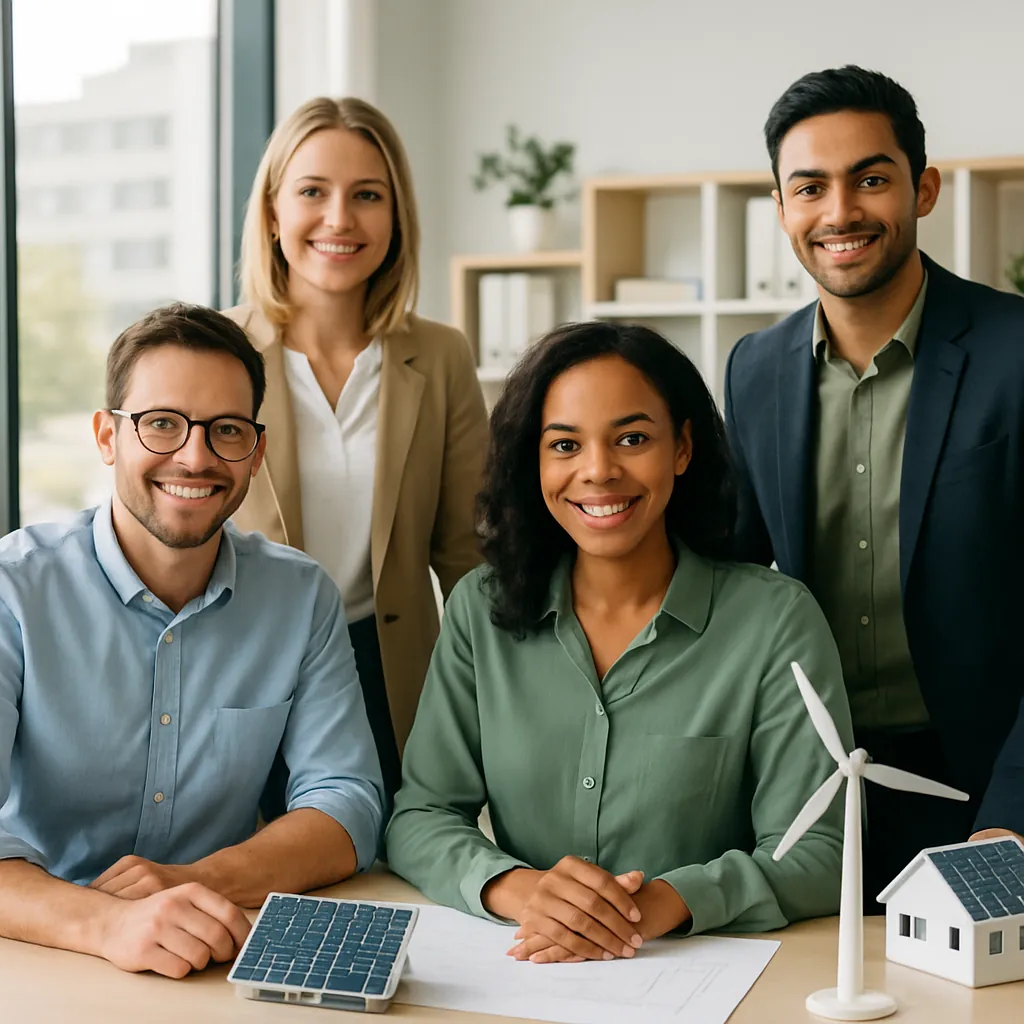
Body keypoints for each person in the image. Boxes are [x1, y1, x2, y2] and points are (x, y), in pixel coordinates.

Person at [386, 321, 853, 962]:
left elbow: (820, 851)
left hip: (708, 976)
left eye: (632, 438)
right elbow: (421, 816)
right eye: (565, 445)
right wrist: (520, 889)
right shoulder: (479, 609)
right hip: (526, 972)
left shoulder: (775, 620)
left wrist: (660, 902)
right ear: (536, 461)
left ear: (682, 448)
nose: (599, 471)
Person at [0, 304, 384, 977]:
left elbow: (347, 803)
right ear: (106, 436)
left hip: (213, 946)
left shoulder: (301, 598)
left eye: (227, 430)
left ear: (256, 452)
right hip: (40, 947)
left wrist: (194, 882)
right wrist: (109, 920)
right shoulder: (13, 589)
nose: (196, 456)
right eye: (162, 424)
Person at [723, 65, 1024, 906]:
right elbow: (731, 587)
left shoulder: (1015, 351)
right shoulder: (753, 372)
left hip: (987, 790)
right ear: (781, 209)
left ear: (923, 189)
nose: (841, 212)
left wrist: (1011, 818)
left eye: (871, 179)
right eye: (810, 187)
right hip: (811, 793)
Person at [225, 97, 488, 812]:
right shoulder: (217, 351)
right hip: (241, 675)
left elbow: (470, 557)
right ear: (274, 212)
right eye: (313, 192)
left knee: (388, 885)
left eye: (367, 196)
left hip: (389, 674)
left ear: (396, 216)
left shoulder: (440, 356)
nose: (340, 219)